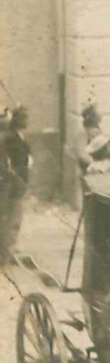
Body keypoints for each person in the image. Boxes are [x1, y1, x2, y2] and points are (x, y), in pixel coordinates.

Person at [1, 107, 31, 261]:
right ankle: (7, 251)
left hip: (16, 181)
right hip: (12, 182)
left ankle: (8, 247)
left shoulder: (16, 136)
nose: (26, 121)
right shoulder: (9, 138)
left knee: (12, 215)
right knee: (12, 216)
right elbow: (10, 163)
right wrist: (18, 179)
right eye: (23, 118)